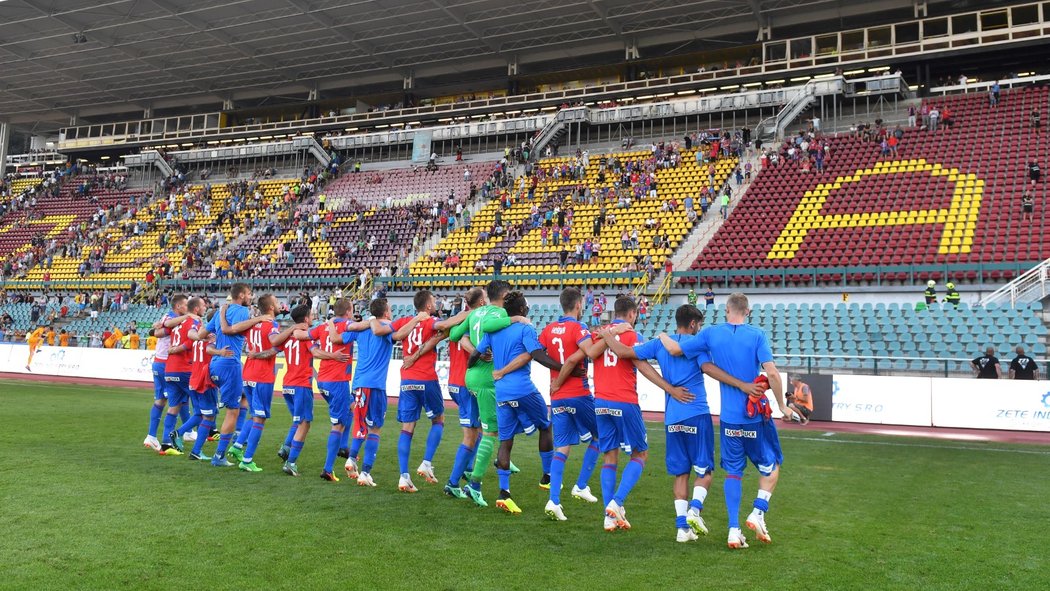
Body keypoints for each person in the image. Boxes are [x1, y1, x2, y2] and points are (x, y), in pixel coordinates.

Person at [660, 292, 791, 549]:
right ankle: (758, 511)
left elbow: (675, 349)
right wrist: (783, 406)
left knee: (733, 472)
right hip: (753, 418)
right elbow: (772, 374)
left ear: (726, 310)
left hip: (729, 420)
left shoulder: (710, 334)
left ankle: (733, 530)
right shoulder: (757, 335)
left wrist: (662, 336)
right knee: (772, 465)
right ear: (748, 311)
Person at [602, 304, 716, 543]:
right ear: (693, 324)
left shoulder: (660, 344)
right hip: (696, 412)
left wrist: (606, 334)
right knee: (705, 471)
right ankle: (695, 510)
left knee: (681, 473)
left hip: (672, 417)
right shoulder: (696, 346)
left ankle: (682, 529)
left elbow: (625, 353)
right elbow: (707, 367)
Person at [587, 296, 687, 532]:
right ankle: (617, 502)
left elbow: (591, 354)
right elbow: (642, 367)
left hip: (600, 401)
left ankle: (609, 516)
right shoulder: (633, 336)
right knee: (640, 454)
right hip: (624, 401)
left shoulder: (599, 335)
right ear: (632, 314)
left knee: (609, 457)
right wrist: (670, 388)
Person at [470, 291, 565, 514]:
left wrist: (471, 368)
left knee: (505, 441)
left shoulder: (495, 331)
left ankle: (504, 494)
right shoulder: (525, 328)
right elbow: (538, 355)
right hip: (523, 389)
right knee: (546, 425)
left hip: (501, 392)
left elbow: (475, 354)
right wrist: (564, 368)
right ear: (522, 311)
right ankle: (547, 476)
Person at [448, 280, 526, 507]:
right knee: (489, 432)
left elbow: (454, 335)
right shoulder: (501, 313)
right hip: (486, 379)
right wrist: (516, 319)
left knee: (496, 423)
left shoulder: (475, 313)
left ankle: (502, 460)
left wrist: (471, 342)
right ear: (504, 295)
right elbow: (493, 327)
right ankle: (474, 485)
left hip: (471, 376)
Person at [389, 290, 469, 492]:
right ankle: (426, 463)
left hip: (406, 379)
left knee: (407, 428)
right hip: (425, 377)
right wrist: (469, 313)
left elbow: (394, 335)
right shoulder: (429, 321)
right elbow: (443, 325)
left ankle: (403, 476)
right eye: (433, 301)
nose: (435, 304)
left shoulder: (407, 320)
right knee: (438, 419)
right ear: (427, 306)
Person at [329, 298, 411, 487]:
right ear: (386, 312)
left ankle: (351, 459)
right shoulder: (386, 328)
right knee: (375, 428)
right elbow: (398, 336)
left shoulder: (361, 328)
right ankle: (365, 472)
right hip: (375, 386)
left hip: (359, 384)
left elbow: (336, 338)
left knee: (360, 425)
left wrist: (330, 324)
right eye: (390, 309)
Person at [538, 288, 603, 519]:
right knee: (601, 436)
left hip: (557, 396)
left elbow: (538, 353)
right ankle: (581, 485)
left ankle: (553, 501)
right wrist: (607, 335)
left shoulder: (548, 329)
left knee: (562, 447)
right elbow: (590, 352)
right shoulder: (578, 328)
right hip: (578, 392)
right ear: (578, 305)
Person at [226, 295, 305, 472]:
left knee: (254, 415)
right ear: (270, 307)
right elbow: (275, 341)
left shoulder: (253, 324)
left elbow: (233, 329)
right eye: (276, 302)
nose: (279, 305)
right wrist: (292, 328)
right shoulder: (272, 325)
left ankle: (237, 447)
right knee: (260, 419)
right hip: (261, 376)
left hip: (248, 373)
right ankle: (247, 460)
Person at [202, 284, 273, 468]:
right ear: (241, 295)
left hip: (215, 364)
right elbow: (231, 330)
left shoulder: (220, 312)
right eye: (249, 294)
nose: (251, 297)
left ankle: (239, 436)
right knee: (232, 411)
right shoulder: (242, 311)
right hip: (230, 364)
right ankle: (220, 455)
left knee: (243, 399)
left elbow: (201, 335)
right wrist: (257, 319)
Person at [310, 299, 372, 481]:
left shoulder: (322, 327)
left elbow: (303, 335)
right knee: (338, 424)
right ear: (348, 311)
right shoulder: (348, 325)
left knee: (352, 408)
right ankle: (328, 469)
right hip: (337, 381)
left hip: (322, 380)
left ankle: (343, 447)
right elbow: (365, 326)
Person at [441, 288, 485, 499]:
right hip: (466, 384)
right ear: (480, 303)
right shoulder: (476, 321)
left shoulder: (455, 321)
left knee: (478, 431)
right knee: (470, 435)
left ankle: (467, 468)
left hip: (454, 382)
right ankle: (452, 482)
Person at [278, 304, 324, 476]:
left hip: (287, 384)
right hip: (300, 385)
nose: (313, 317)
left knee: (297, 421)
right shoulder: (306, 338)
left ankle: (286, 448)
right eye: (311, 315)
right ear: (305, 319)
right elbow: (316, 353)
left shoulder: (288, 337)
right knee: (305, 423)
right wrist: (332, 355)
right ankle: (291, 462)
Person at [159, 296, 205, 456]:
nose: (205, 307)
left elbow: (161, 328)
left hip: (170, 370)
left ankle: (166, 443)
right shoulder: (195, 322)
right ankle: (183, 436)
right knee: (203, 410)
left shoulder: (178, 322)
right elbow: (192, 340)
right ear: (197, 309)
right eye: (203, 305)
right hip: (185, 369)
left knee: (174, 406)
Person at [186, 324, 228, 461]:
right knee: (208, 417)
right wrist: (220, 351)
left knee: (201, 414)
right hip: (205, 382)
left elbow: (191, 333)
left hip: (194, 379)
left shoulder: (198, 338)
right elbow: (210, 350)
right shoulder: (211, 339)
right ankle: (195, 450)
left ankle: (178, 434)